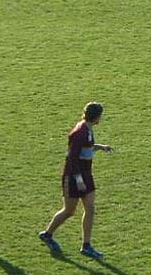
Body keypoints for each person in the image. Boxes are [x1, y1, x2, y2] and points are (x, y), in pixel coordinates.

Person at [39, 102, 113, 259]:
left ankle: (86, 246)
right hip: (74, 176)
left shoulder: (87, 129)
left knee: (90, 209)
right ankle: (47, 234)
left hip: (86, 174)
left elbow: (87, 147)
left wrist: (100, 147)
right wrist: (78, 179)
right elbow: (72, 157)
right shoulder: (80, 132)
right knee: (69, 211)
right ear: (96, 117)